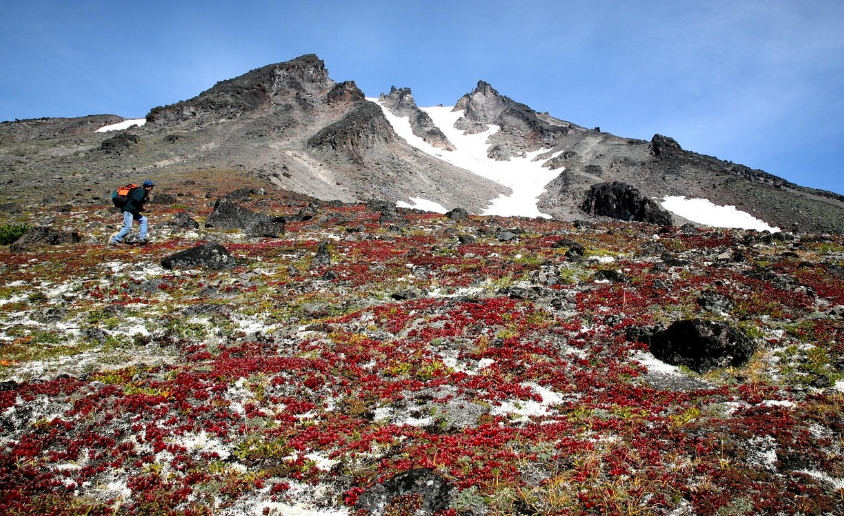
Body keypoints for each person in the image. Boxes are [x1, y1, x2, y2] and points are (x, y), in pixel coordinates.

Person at [109, 180, 155, 245]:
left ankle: (142, 238)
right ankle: (114, 240)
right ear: (147, 187)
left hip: (132, 210)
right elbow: (135, 200)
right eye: (151, 186)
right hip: (129, 209)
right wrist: (141, 208)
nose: (152, 188)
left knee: (144, 220)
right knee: (128, 226)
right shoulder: (142, 191)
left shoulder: (141, 191)